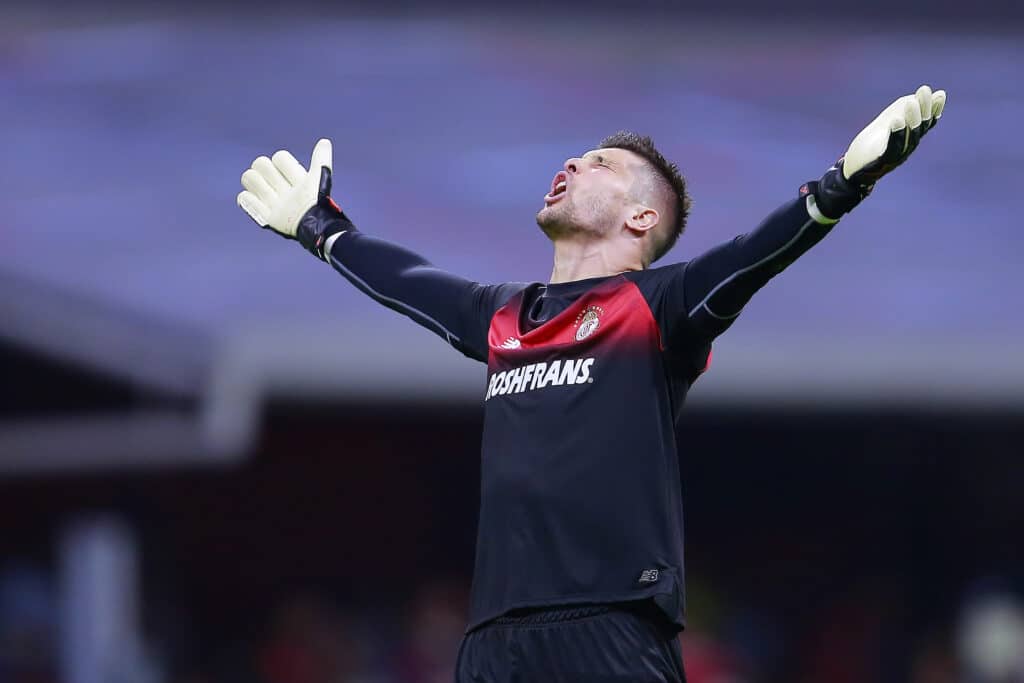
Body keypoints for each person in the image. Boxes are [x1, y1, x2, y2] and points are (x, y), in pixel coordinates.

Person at [237, 86, 946, 683]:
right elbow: (411, 283)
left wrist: (841, 185)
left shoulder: (660, 308)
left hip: (610, 632)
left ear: (642, 217)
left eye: (600, 163)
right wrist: (319, 226)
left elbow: (752, 257)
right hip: (491, 642)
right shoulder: (503, 316)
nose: (573, 161)